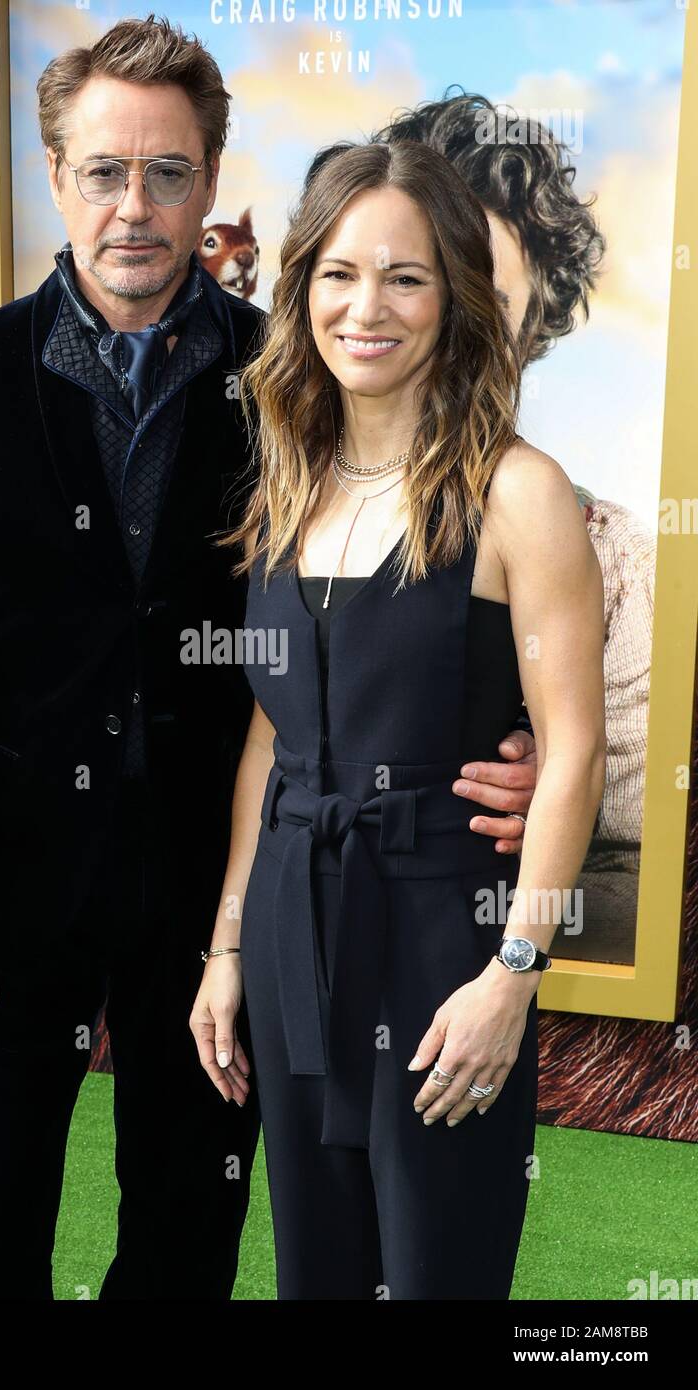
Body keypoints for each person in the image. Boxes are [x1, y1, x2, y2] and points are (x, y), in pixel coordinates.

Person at [0, 18, 538, 1300]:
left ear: (210, 182)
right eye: (104, 171)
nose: (135, 207)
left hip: (223, 890)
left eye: (168, 173)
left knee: (188, 1220)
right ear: (56, 175)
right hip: (14, 886)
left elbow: (415, 569)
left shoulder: (290, 375)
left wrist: (505, 743)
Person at [192, 137, 606, 1299]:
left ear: (455, 297)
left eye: (404, 276)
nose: (364, 307)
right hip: (289, 923)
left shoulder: (519, 490)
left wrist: (512, 973)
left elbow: (572, 748)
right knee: (314, 1269)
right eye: (337, 273)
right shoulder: (286, 472)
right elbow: (269, 741)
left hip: (442, 935)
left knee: (436, 1268)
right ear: (301, 288)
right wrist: (226, 949)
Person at [312, 91, 654, 963]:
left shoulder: (608, 549)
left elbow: (653, 773)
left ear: (537, 322)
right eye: (422, 278)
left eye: (485, 301)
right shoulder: (299, 488)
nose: (432, 326)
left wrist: (565, 782)